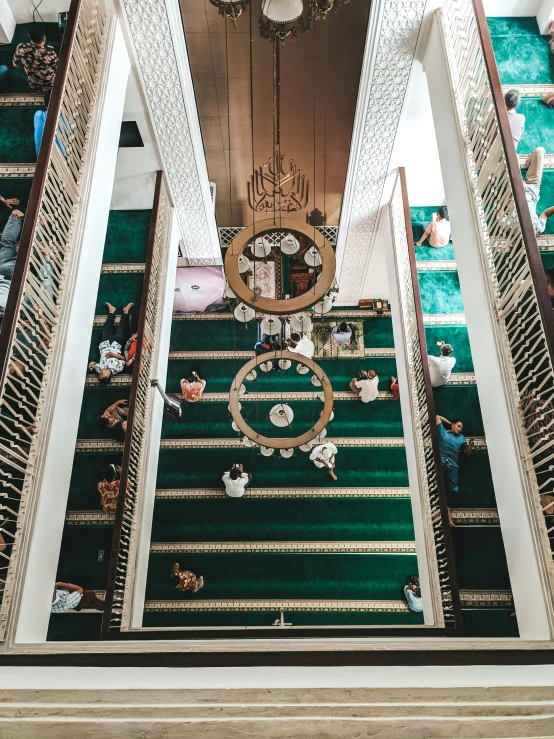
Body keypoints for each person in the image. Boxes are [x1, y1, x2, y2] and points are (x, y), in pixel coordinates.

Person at [436, 415, 474, 526]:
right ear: (453, 425)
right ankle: (436, 511)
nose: (460, 429)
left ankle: (447, 513)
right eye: (458, 426)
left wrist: (470, 446)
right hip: (441, 462)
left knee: (453, 489)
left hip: (453, 465)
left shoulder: (461, 438)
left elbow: (467, 453)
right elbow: (436, 417)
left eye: (461, 428)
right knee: (437, 484)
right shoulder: (443, 432)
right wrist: (449, 422)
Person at [88, 302, 134, 385]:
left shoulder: (99, 369)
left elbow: (93, 363)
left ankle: (111, 311)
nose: (100, 372)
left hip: (105, 345)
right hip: (116, 345)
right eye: (102, 374)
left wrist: (91, 364)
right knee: (122, 328)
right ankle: (126, 312)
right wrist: (114, 355)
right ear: (107, 375)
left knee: (107, 328)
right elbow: (125, 359)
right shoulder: (118, 368)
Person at [13, 24, 59, 94]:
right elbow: (57, 69)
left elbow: (15, 64)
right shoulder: (50, 53)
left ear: (29, 36)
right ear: (44, 38)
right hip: (49, 84)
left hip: (34, 83)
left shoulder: (21, 47)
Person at [522, 147, 554, 236]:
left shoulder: (512, 225)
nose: (536, 234)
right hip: (532, 187)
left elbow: (500, 211)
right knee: (540, 151)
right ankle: (530, 163)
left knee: (510, 159)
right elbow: (545, 214)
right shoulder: (539, 228)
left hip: (514, 190)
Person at [0, 210, 24, 315]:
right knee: (6, 244)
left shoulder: (3, 308)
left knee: (26, 254)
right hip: (2, 271)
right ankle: (15, 218)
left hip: (11, 277)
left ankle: (40, 227)